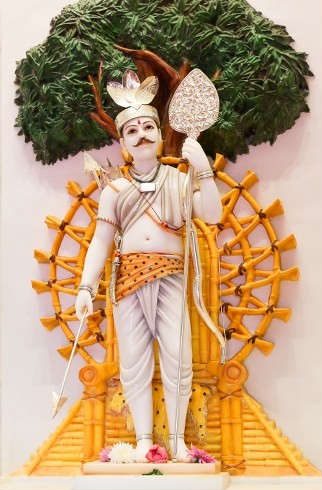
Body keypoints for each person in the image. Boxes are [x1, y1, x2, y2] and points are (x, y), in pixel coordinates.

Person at [75, 73, 222, 462]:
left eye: (148, 127)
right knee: (134, 362)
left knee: (178, 358)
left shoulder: (178, 180)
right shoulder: (114, 191)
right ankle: (143, 441)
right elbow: (100, 242)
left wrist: (203, 168)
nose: (141, 134)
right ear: (122, 143)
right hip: (127, 283)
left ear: (160, 135)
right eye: (132, 130)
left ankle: (174, 439)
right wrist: (86, 288)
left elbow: (212, 213)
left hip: (171, 276)